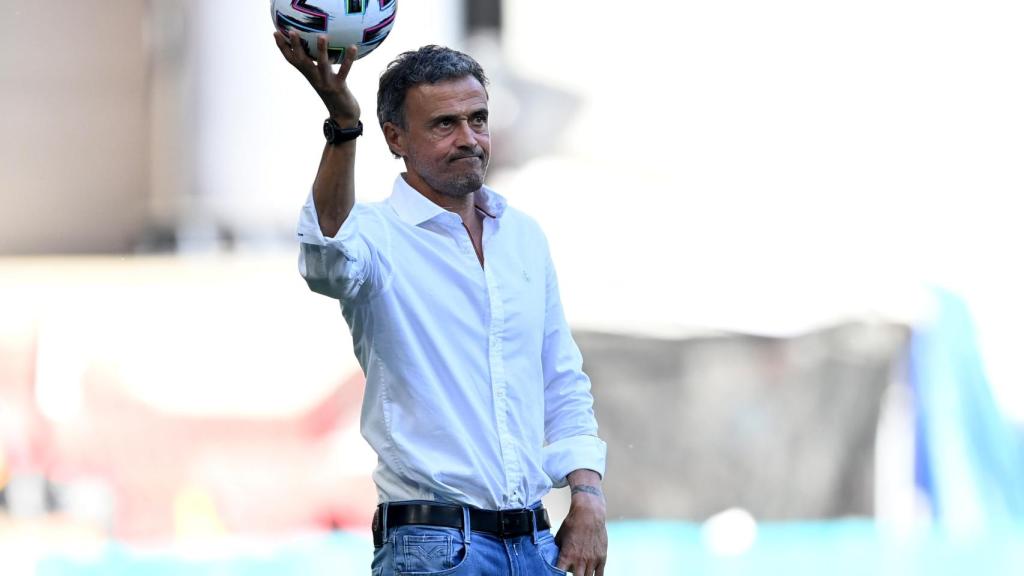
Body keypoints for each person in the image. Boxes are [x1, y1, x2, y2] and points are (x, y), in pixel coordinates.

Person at [273, 30, 608, 576]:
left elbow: (562, 379)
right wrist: (343, 128)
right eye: (443, 124)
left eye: (477, 118)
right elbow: (325, 258)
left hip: (535, 543)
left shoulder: (523, 235)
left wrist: (588, 497)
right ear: (395, 137)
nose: (468, 138)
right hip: (432, 549)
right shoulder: (376, 235)